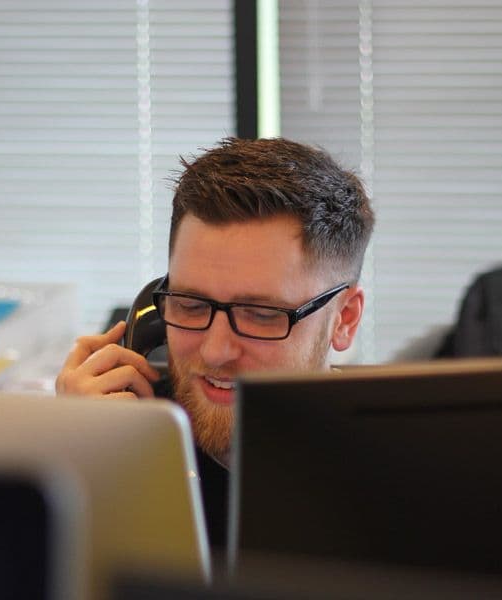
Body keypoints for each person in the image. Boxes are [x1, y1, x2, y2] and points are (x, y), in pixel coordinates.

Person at [55, 136, 375, 552]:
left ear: (344, 319)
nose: (215, 351)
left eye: (261, 314)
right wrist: (72, 462)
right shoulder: (120, 439)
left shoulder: (401, 484)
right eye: (190, 305)